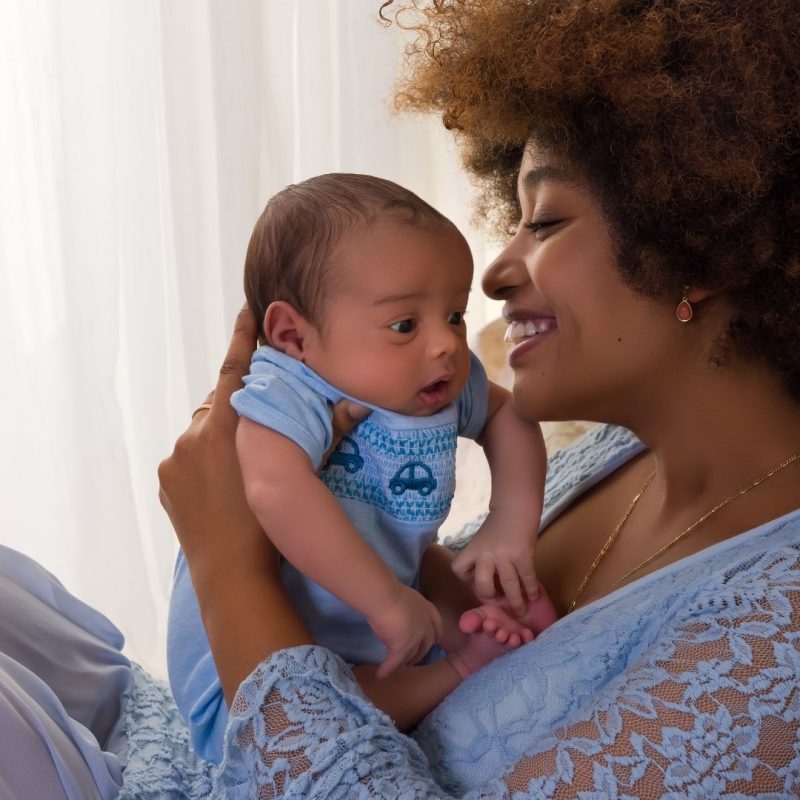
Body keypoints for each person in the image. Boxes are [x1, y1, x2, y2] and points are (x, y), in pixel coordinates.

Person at [160, 0, 800, 796]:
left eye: (548, 219)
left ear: (696, 242)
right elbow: (405, 574)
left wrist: (228, 565)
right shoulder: (611, 457)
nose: (494, 274)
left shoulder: (781, 634)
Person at [168, 173, 556, 763]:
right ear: (294, 336)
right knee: (349, 703)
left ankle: (472, 641)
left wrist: (509, 525)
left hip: (370, 626)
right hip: (243, 671)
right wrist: (383, 600)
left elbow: (511, 420)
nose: (446, 345)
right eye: (405, 324)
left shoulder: (438, 381)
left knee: (423, 621)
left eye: (453, 315)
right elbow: (273, 490)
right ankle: (456, 666)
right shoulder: (291, 390)